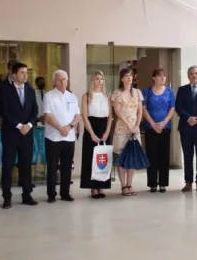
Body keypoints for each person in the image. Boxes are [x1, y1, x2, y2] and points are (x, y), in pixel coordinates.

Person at [0, 62, 38, 207]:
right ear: (14, 75)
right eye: (22, 73)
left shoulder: (30, 90)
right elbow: (4, 111)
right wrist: (19, 125)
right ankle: (7, 197)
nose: (25, 75)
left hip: (27, 134)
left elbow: (34, 111)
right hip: (11, 133)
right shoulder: (5, 90)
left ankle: (27, 195)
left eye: (26, 73)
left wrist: (29, 125)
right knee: (8, 165)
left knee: (26, 165)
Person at [43, 69, 80, 202]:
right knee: (52, 167)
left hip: (69, 137)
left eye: (64, 79)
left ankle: (65, 193)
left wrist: (69, 127)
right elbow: (47, 116)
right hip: (53, 137)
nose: (62, 82)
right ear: (54, 82)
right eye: (59, 79)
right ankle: (51, 194)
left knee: (67, 166)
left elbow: (77, 116)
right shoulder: (48, 96)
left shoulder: (72, 97)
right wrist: (60, 128)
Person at [142, 68, 175, 193]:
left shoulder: (169, 92)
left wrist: (163, 122)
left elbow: (172, 108)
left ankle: (163, 183)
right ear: (154, 78)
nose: (163, 78)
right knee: (151, 156)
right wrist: (152, 123)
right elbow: (143, 109)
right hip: (150, 128)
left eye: (164, 76)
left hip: (164, 127)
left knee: (164, 156)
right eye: (160, 76)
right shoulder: (146, 91)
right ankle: (152, 183)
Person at [80, 71, 112, 199]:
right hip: (91, 129)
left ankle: (101, 186)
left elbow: (110, 117)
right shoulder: (86, 96)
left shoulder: (107, 96)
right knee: (91, 158)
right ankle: (93, 187)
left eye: (101, 79)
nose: (99, 81)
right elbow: (85, 117)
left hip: (104, 129)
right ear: (92, 80)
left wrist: (107, 132)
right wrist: (92, 134)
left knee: (103, 159)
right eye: (97, 78)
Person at [113, 68, 144, 196]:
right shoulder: (117, 93)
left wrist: (136, 125)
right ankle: (123, 185)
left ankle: (130, 184)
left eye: (131, 75)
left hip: (134, 129)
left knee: (132, 156)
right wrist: (128, 125)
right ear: (121, 78)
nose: (129, 77)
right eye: (126, 75)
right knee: (121, 157)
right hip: (122, 128)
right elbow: (117, 111)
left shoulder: (137, 92)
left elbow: (140, 111)